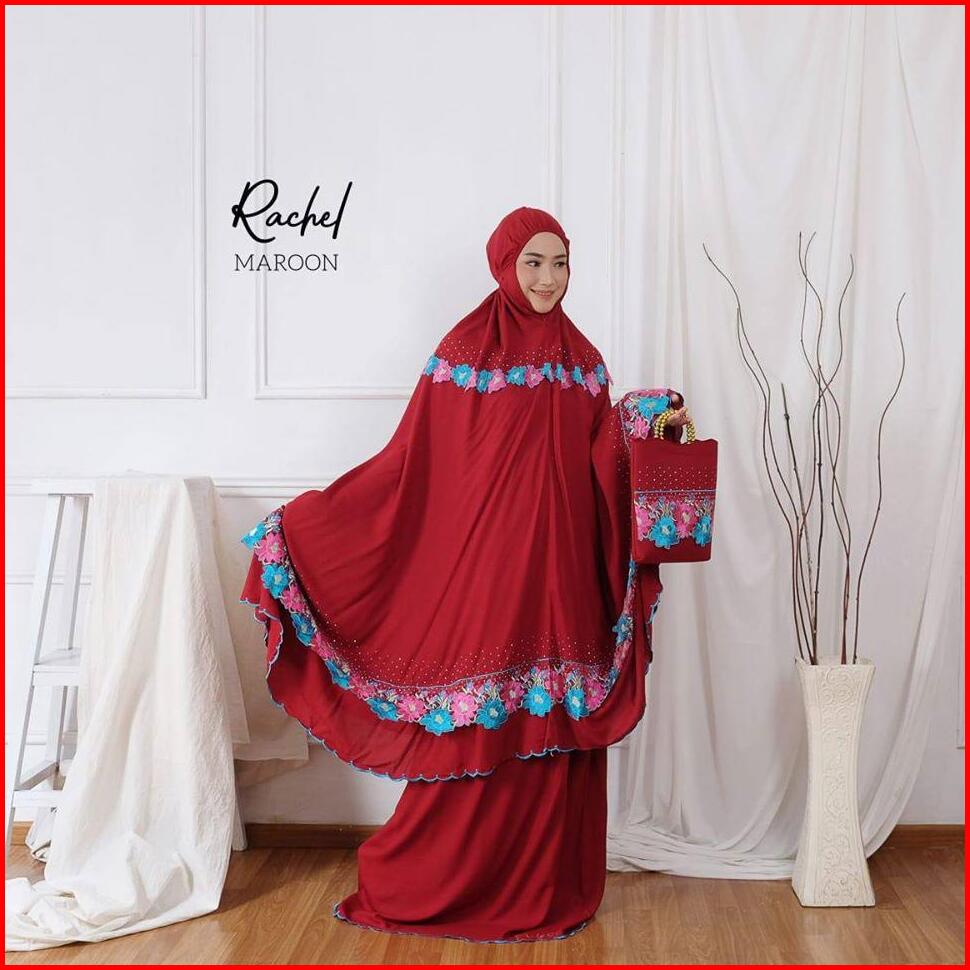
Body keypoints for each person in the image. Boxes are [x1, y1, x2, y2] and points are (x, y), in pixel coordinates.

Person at [239, 206, 689, 943]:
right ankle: (427, 881)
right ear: (504, 264)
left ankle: (547, 886)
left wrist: (635, 417)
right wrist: (311, 527)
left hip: (565, 572)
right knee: (480, 724)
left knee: (553, 719)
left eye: (560, 263)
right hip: (492, 570)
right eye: (533, 262)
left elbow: (596, 462)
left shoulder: (584, 361)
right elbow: (416, 464)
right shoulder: (466, 352)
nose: (548, 279)